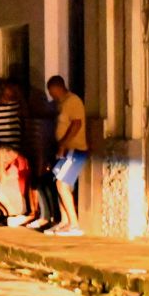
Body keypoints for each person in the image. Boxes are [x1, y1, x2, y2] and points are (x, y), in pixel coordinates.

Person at [44, 75, 88, 236]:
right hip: (63, 150)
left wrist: (64, 143)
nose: (51, 95)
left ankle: (74, 224)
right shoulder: (61, 104)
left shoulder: (73, 101)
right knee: (60, 183)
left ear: (58, 87)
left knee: (61, 184)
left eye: (52, 91)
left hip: (74, 150)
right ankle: (64, 222)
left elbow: (77, 124)